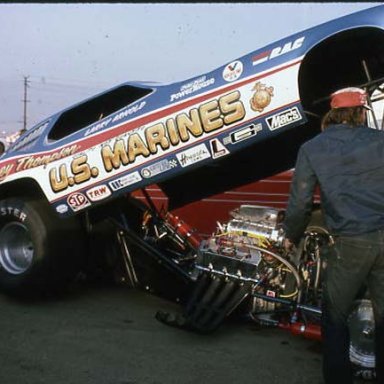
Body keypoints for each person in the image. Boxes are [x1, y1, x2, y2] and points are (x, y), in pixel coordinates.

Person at [282, 87, 384, 384]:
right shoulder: (380, 140)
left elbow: (300, 201)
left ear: (332, 112)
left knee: (335, 316)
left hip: (352, 241)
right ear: (361, 112)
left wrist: (292, 234)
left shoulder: (313, 147)